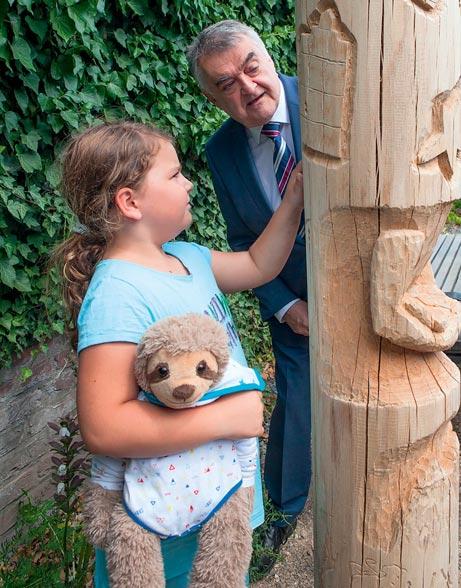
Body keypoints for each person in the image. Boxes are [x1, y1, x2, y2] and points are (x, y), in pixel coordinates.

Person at [53, 120, 303, 586]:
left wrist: (294, 198)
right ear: (130, 202)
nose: (189, 182)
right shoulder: (118, 292)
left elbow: (257, 264)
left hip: (219, 507)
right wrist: (226, 420)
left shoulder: (186, 256)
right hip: (163, 525)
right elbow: (104, 426)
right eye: (174, 175)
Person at [187, 20, 311, 572]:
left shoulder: (329, 100)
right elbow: (243, 241)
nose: (247, 87)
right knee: (296, 406)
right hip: (295, 305)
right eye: (226, 83)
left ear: (269, 54)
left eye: (251, 66)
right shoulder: (222, 151)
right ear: (213, 96)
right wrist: (285, 306)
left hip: (366, 291)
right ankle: (288, 522)